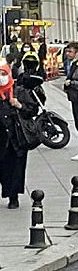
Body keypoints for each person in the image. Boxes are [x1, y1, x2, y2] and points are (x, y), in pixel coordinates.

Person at [0, 62, 30, 208]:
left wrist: (19, 105)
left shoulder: (18, 91)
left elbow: (32, 110)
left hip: (15, 138)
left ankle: (13, 197)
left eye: (4, 74)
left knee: (15, 168)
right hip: (0, 136)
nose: (1, 77)